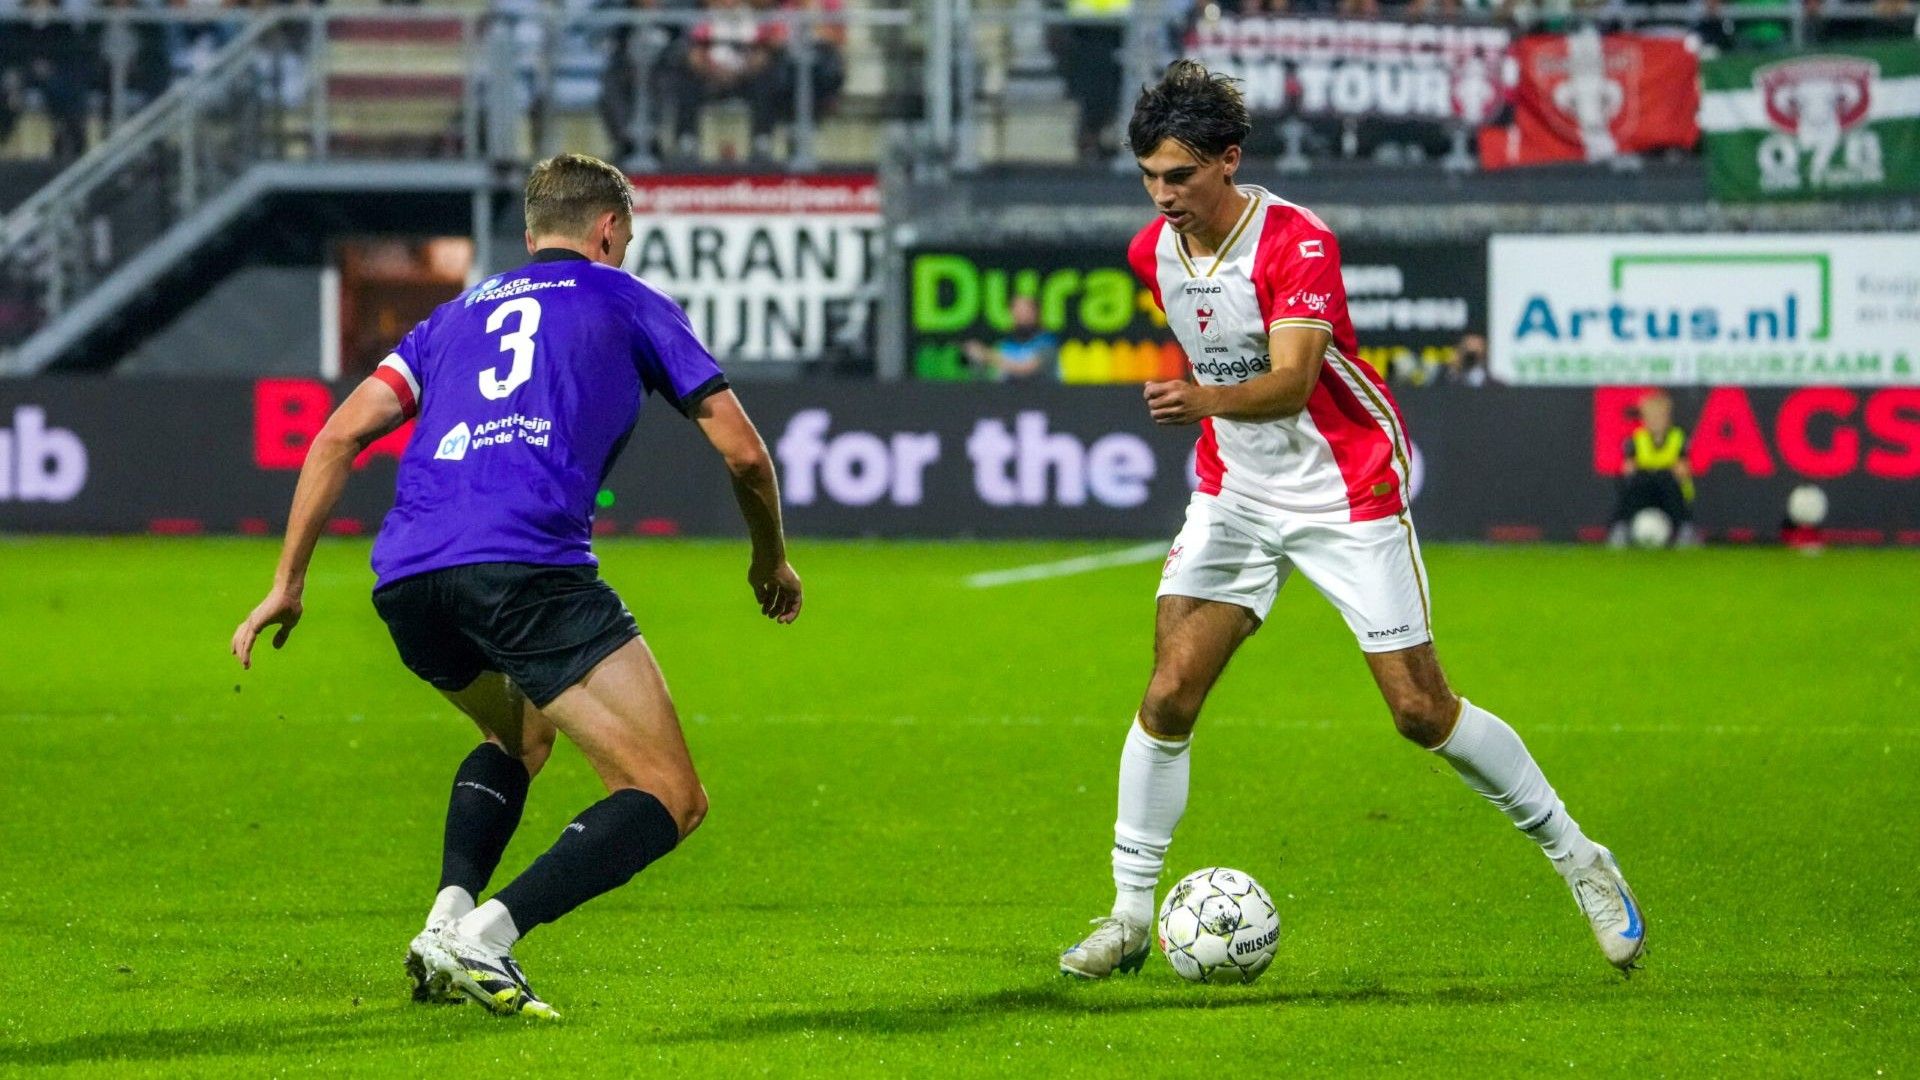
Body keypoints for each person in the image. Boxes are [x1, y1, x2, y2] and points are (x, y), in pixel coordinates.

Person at [1058, 62, 1645, 981]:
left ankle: (1580, 858)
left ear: (1228, 160)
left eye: (1178, 175)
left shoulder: (1298, 243)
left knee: (1419, 712)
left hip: (1347, 484)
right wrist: (1214, 417)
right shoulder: (1152, 252)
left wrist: (1202, 398)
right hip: (1236, 493)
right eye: (1148, 176)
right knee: (1170, 692)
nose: (1161, 195)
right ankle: (1131, 915)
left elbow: (1291, 382)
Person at [230, 153, 803, 1020]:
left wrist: (288, 582)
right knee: (668, 797)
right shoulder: (630, 300)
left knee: (522, 734)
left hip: (411, 581)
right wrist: (769, 560)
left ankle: (444, 920)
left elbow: (337, 438)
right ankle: (485, 939)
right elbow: (744, 453)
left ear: (533, 235)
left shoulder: (451, 318)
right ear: (609, 232)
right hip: (528, 569)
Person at [1608, 388, 1697, 548]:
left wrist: (1663, 469)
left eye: (1659, 417)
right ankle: (1622, 527)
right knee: (1635, 482)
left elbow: (1683, 469)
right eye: (1651, 417)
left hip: (1669, 492)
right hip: (1645, 492)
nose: (1655, 421)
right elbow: (1627, 469)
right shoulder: (1635, 440)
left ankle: (1685, 528)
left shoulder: (1679, 438)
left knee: (1667, 479)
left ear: (1668, 418)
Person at [961, 295, 1060, 381]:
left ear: (1036, 313)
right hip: (1009, 399)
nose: (1021, 316)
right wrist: (978, 359)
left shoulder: (1047, 341)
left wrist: (987, 355)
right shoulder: (1006, 343)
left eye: (1025, 311)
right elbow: (998, 375)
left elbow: (1025, 370)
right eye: (1017, 311)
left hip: (1043, 399)